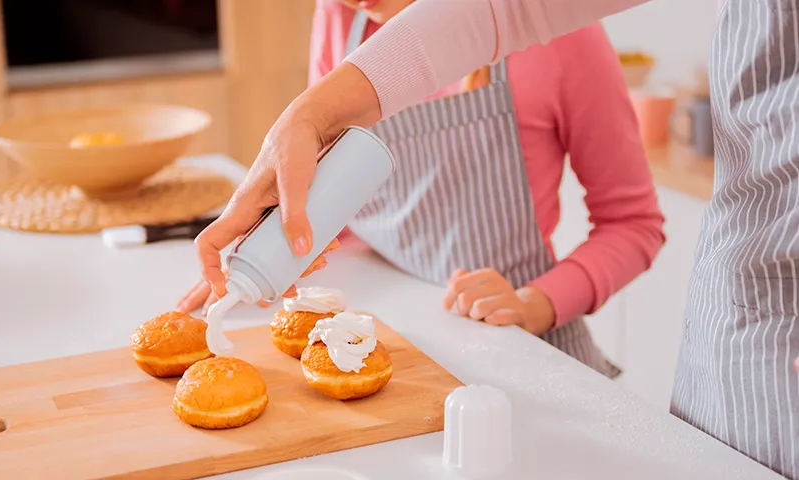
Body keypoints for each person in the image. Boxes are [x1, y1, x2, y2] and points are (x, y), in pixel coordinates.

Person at [188, 0, 799, 477]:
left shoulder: (565, 40)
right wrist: (287, 251)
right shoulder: (341, 25)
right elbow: (341, 201)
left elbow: (635, 224)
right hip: (407, 346)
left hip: (531, 366)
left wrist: (537, 300)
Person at [181, 0, 666, 380]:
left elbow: (634, 224)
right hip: (404, 331)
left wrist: (534, 304)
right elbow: (333, 188)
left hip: (521, 346)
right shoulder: (339, 15)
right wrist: (271, 251)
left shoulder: (557, 30)